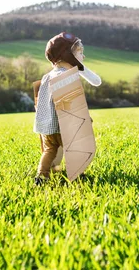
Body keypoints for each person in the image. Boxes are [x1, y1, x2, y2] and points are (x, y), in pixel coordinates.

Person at [33, 32, 101, 185]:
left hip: (47, 127)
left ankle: (41, 176)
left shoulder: (47, 76)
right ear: (68, 55)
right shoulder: (68, 77)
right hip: (64, 126)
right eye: (80, 53)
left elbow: (41, 102)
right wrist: (85, 119)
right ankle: (78, 176)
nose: (83, 57)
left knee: (49, 151)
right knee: (75, 150)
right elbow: (71, 103)